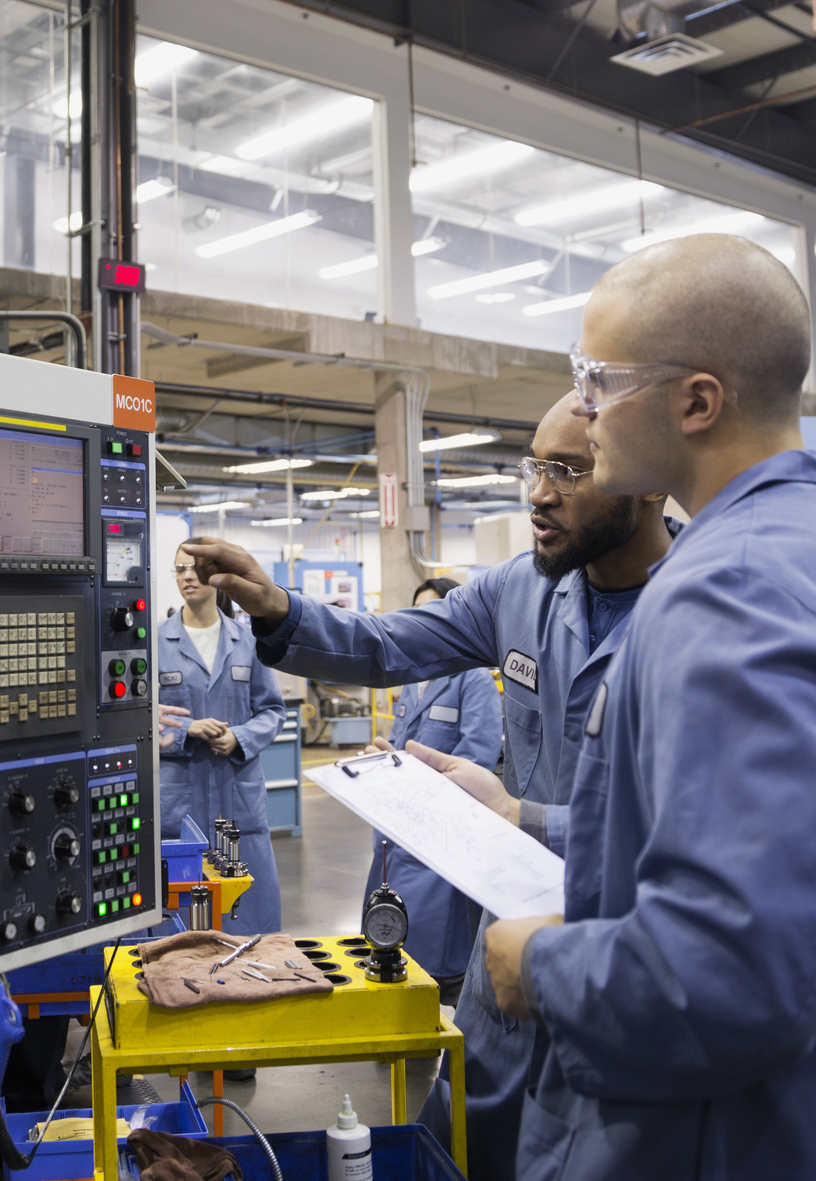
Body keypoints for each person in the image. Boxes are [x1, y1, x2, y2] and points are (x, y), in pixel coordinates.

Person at [461, 232, 816, 1181]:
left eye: (599, 379)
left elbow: (732, 971)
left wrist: (542, 970)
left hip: (741, 1144)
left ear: (696, 400)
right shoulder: (807, 540)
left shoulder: (728, 589)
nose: (582, 406)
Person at [179, 388, 674, 1181]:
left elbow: (693, 834)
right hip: (505, 960)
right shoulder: (519, 589)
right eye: (534, 466)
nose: (540, 492)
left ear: (649, 478)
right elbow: (384, 645)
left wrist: (523, 816)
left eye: (569, 471)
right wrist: (277, 610)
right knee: (464, 1149)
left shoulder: (701, 613)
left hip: (628, 960)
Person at [362, 578, 502, 999]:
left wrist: (419, 785)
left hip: (441, 828)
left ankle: (440, 999)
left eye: (436, 611)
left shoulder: (472, 678)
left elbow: (477, 749)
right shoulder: (411, 679)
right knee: (392, 924)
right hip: (398, 825)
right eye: (418, 612)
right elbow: (405, 740)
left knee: (437, 939)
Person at [157, 555, 288, 936]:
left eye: (193, 568)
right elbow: (135, 718)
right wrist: (186, 728)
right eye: (178, 568)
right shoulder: (155, 644)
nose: (186, 576)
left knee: (248, 918)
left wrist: (240, 737)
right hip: (181, 799)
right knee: (179, 919)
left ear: (215, 576)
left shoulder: (248, 642)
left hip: (237, 796)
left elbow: (272, 710)